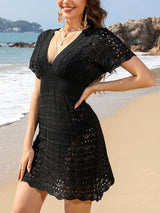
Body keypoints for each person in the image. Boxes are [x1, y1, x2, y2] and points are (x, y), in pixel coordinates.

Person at [11, 0, 155, 212]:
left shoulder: (98, 38)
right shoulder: (45, 38)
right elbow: (37, 95)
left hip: (79, 140)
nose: (66, 1)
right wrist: (27, 146)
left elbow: (145, 78)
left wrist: (94, 88)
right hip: (45, 141)